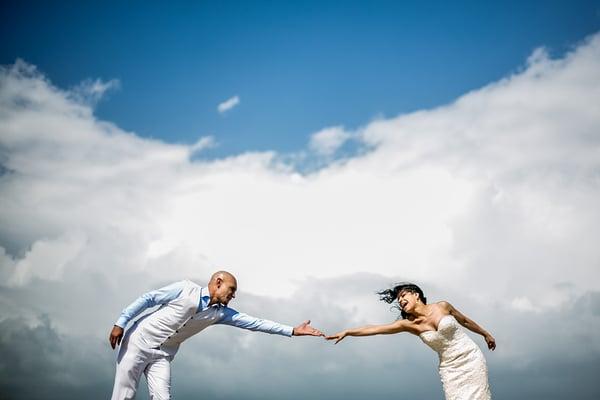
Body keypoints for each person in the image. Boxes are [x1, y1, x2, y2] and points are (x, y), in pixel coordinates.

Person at [109, 271, 323, 399]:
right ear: (218, 282)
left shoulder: (221, 313)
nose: (233, 295)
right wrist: (121, 322)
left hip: (163, 355)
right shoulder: (185, 289)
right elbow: (149, 298)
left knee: (163, 397)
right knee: (124, 394)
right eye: (231, 289)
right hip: (138, 342)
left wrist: (292, 330)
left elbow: (255, 323)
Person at [326, 283, 495, 400]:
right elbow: (375, 329)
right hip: (450, 369)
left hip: (471, 358)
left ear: (416, 295)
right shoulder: (409, 325)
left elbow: (464, 321)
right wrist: (348, 331)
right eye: (398, 300)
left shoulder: (442, 306)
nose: (400, 301)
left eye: (403, 296)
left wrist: (485, 334)